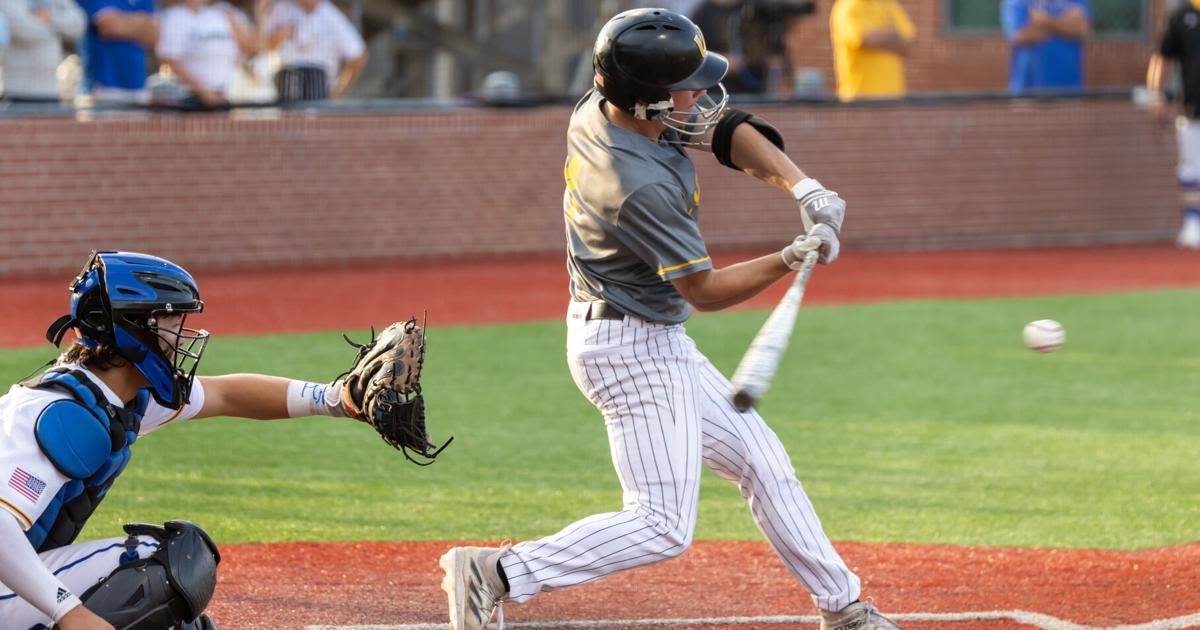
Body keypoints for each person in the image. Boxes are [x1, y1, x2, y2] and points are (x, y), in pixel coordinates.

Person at [438, 9, 902, 630]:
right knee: (661, 525)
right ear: (648, 102)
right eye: (685, 85)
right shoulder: (634, 183)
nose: (701, 94)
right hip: (629, 352)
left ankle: (843, 608)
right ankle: (497, 573)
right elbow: (704, 289)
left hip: (645, 334)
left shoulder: (608, 105)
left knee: (765, 465)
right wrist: (789, 257)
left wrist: (804, 188)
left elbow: (721, 128)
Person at [0, 250, 389, 629]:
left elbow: (227, 394)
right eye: (170, 321)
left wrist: (339, 399)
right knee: (159, 563)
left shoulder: (115, 397)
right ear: (132, 327)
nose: (183, 334)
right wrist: (70, 613)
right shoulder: (58, 414)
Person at [1147, 1, 1200, 249]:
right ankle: (1193, 222)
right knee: (1191, 167)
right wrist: (1155, 96)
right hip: (1192, 107)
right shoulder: (1181, 15)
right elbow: (1161, 57)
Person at [156, 0, 258, 109]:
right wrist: (204, 93)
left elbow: (250, 48)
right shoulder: (174, 16)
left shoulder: (221, 13)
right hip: (189, 99)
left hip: (225, 96)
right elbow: (169, 60)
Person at [262, 0, 365, 102]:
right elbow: (259, 47)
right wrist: (278, 36)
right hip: (283, 83)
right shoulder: (281, 9)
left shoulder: (332, 16)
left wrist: (338, 89)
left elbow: (358, 57)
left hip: (319, 87)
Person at [829, 0, 915, 101]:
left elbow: (909, 45)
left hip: (893, 99)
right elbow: (864, 39)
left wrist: (879, 37)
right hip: (859, 99)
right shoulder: (849, 6)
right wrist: (892, 35)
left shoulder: (888, 5)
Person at [76, 0, 159, 104]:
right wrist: (142, 23)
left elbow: (154, 36)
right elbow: (109, 26)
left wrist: (121, 20)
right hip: (102, 88)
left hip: (139, 88)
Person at [0, 0, 84, 101]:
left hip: (52, 91)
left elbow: (78, 24)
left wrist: (50, 18)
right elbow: (25, 30)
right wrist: (58, 30)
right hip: (17, 92)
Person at [1002, 0, 1091, 95]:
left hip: (1070, 90)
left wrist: (1045, 21)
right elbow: (1021, 36)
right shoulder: (1017, 2)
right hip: (1027, 90)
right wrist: (1065, 24)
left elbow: (1082, 28)